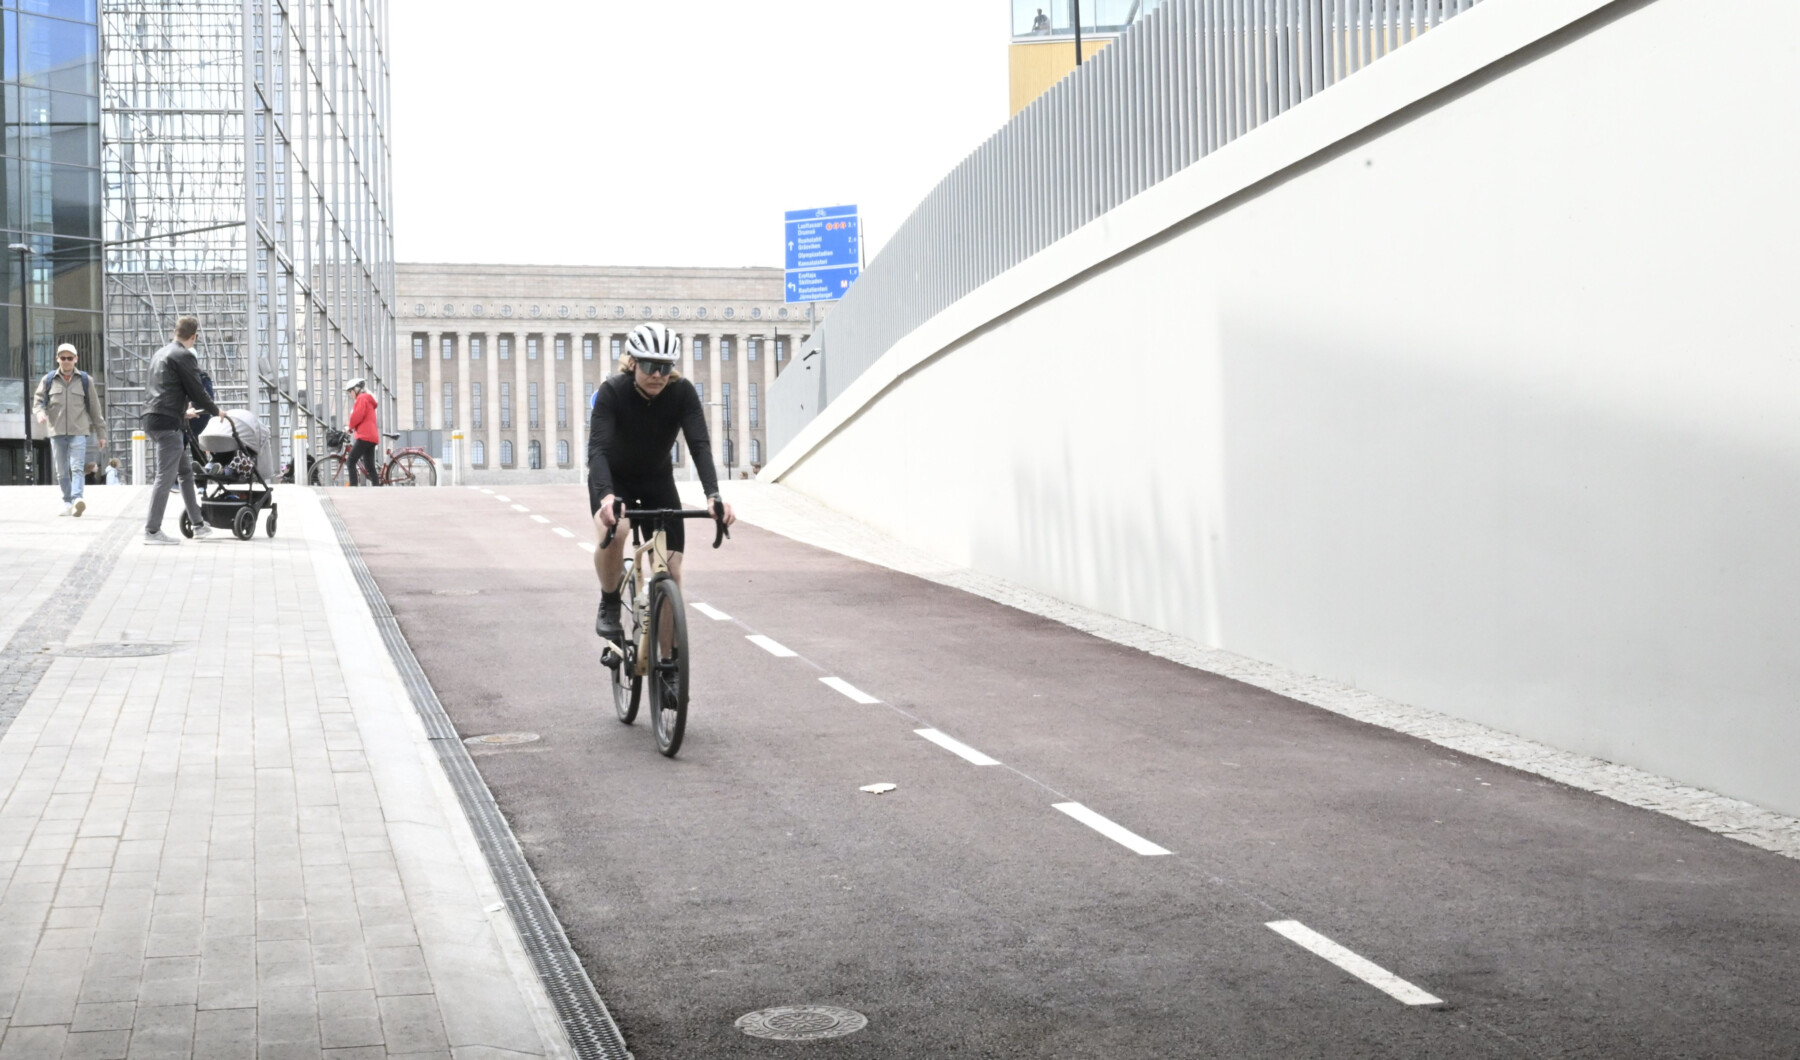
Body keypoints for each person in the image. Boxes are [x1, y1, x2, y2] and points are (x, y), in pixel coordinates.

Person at [589, 323, 735, 646]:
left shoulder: (681, 393)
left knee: (671, 571)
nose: (657, 375)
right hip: (615, 482)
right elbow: (597, 450)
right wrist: (607, 497)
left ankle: (668, 669)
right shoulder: (612, 392)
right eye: (649, 366)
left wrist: (713, 495)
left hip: (657, 480)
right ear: (632, 363)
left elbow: (699, 445)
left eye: (665, 367)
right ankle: (610, 601)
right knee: (618, 533)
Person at [142, 316, 221, 544]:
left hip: (156, 417)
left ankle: (198, 525)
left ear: (175, 331)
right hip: (167, 423)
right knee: (164, 478)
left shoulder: (161, 353)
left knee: (185, 473)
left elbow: (162, 390)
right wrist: (217, 411)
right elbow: (197, 391)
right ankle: (152, 531)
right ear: (194, 336)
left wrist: (182, 413)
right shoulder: (184, 355)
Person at [31, 342, 106, 518]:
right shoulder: (48, 380)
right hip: (56, 432)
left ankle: (77, 499)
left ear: (76, 359)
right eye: (63, 358)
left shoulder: (86, 381)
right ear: (57, 359)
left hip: (78, 431)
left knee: (77, 466)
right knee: (62, 470)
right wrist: (40, 414)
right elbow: (37, 402)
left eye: (69, 358)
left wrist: (101, 434)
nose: (66, 361)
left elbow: (95, 410)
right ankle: (67, 502)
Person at [345, 377, 380, 485]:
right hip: (372, 437)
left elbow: (357, 416)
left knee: (350, 461)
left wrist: (349, 427)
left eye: (350, 391)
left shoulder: (361, 398)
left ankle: (353, 488)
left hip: (364, 436)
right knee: (370, 466)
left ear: (356, 389)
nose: (350, 394)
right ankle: (377, 488)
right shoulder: (368, 399)